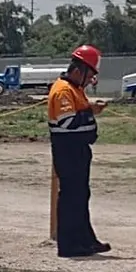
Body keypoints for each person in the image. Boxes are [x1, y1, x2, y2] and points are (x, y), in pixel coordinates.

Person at [47, 45, 110, 258]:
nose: (91, 79)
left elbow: (78, 111)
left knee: (81, 195)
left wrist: (90, 108)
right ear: (78, 70)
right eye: (90, 74)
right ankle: (70, 245)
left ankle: (85, 239)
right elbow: (68, 122)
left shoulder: (75, 89)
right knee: (71, 197)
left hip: (78, 152)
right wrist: (89, 115)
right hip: (68, 151)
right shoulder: (63, 90)